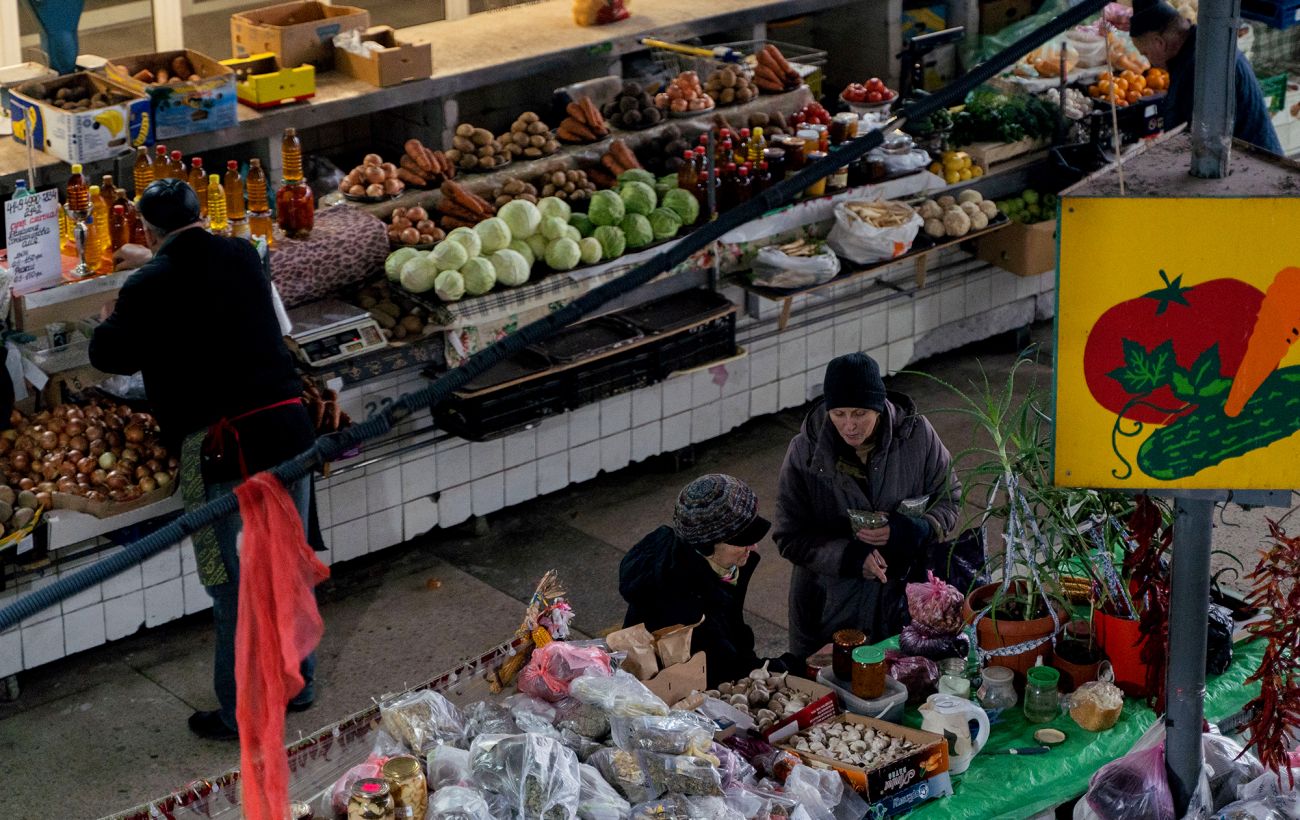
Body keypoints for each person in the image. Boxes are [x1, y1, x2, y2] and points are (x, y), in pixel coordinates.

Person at [89, 179, 318, 740]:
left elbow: (107, 354)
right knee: (288, 565)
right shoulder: (241, 253)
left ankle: (241, 710)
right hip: (289, 432)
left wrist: (113, 310)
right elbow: (201, 275)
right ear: (199, 215)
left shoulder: (149, 284)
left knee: (232, 586)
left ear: (148, 231)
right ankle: (300, 684)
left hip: (227, 451)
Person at [774, 353, 960, 661]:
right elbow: (789, 535)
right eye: (839, 413)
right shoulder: (805, 452)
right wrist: (848, 557)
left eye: (860, 413)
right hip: (828, 606)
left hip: (903, 602)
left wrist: (910, 530)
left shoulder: (917, 437)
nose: (849, 426)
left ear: (879, 406)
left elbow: (949, 498)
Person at [619, 474, 778, 687]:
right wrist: (798, 666)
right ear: (707, 545)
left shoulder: (716, 566)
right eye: (743, 540)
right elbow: (729, 670)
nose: (754, 546)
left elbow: (734, 633)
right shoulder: (683, 601)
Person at [1130, 0, 1282, 154]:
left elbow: (1198, 147)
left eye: (1146, 54)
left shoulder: (1201, 68)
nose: (1150, 63)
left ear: (1159, 43)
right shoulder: (1198, 47)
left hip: (1257, 166)